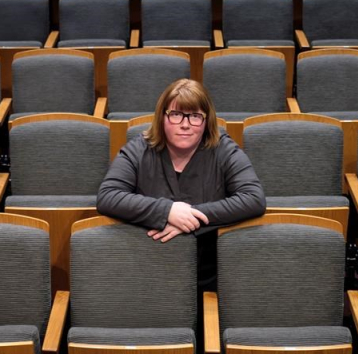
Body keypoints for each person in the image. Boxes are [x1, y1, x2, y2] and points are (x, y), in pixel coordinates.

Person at [97, 78, 266, 287]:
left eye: (195, 116)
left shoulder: (224, 149)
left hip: (209, 274)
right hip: (145, 269)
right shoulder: (139, 148)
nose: (185, 125)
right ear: (162, 117)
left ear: (206, 121)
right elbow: (108, 196)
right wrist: (166, 211)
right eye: (176, 115)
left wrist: (189, 217)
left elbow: (253, 199)